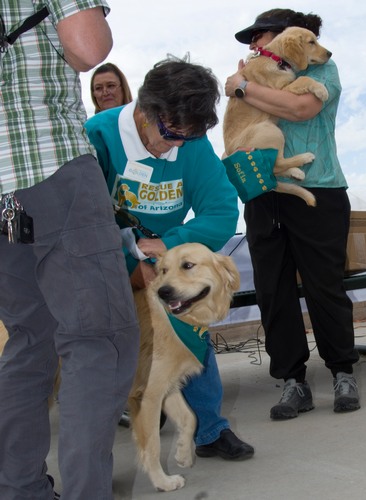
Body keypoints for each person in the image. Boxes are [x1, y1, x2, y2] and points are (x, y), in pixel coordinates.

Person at [0, 2, 140, 499]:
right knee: (99, 339)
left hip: (4, 194)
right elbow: (87, 47)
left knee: (29, 340)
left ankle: (19, 490)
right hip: (49, 164)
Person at [85, 55, 255, 460]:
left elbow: (221, 211)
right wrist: (128, 264)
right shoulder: (97, 136)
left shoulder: (190, 141)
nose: (178, 144)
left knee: (190, 328)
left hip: (162, 262)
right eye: (170, 133)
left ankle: (210, 430)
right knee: (100, 354)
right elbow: (81, 218)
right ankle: (93, 455)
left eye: (187, 136)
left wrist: (167, 248)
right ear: (145, 111)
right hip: (101, 261)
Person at [225, 9, 360, 420]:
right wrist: (247, 85)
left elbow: (300, 108)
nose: (253, 44)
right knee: (273, 291)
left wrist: (243, 86)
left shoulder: (322, 68)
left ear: (287, 36)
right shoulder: (257, 71)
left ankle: (343, 372)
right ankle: (292, 381)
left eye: (259, 35)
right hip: (263, 193)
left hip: (319, 188)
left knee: (325, 286)